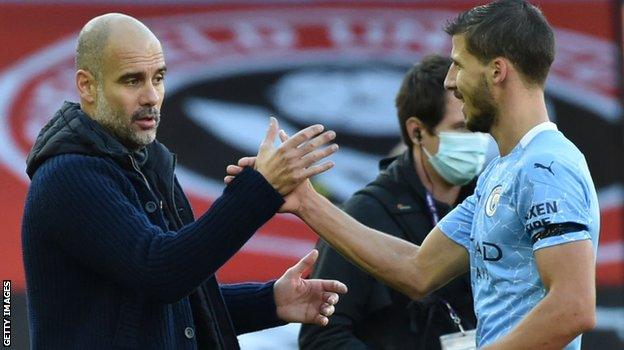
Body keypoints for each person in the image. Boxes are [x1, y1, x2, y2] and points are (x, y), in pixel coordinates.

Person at [227, 1, 600, 349]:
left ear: (497, 71)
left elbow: (573, 307)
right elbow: (418, 268)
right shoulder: (501, 172)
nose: (450, 81)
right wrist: (306, 202)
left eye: (459, 64)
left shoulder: (546, 166)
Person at [21, 13, 347, 349]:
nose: (151, 96)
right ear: (87, 86)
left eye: (158, 78)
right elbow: (162, 271)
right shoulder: (69, 176)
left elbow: (171, 309)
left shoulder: (146, 164)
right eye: (132, 81)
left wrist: (270, 302)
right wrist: (260, 188)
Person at [298, 55, 484, 349]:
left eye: (478, 126)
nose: (477, 139)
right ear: (417, 131)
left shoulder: (490, 204)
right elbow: (322, 338)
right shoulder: (362, 216)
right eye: (461, 128)